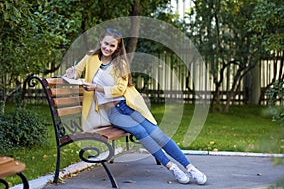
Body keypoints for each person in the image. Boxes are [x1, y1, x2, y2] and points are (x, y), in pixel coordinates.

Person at [65, 28, 207, 185]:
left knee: (158, 135)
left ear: (117, 47)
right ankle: (173, 168)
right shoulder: (91, 57)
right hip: (113, 112)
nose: (108, 48)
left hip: (128, 105)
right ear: (101, 42)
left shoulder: (121, 63)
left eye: (112, 46)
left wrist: (96, 88)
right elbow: (76, 72)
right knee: (140, 131)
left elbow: (120, 89)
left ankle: (191, 167)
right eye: (106, 44)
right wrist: (71, 73)